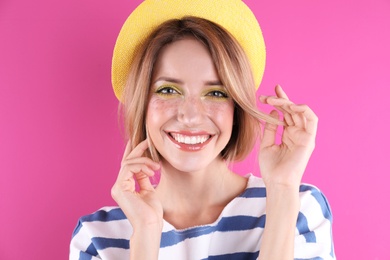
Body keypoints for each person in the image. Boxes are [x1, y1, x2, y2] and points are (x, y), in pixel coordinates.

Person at [70, 0, 335, 259]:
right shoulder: (96, 239)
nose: (191, 116)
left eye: (216, 93)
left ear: (236, 110)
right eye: (168, 90)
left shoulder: (299, 208)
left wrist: (281, 191)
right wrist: (146, 234)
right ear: (143, 105)